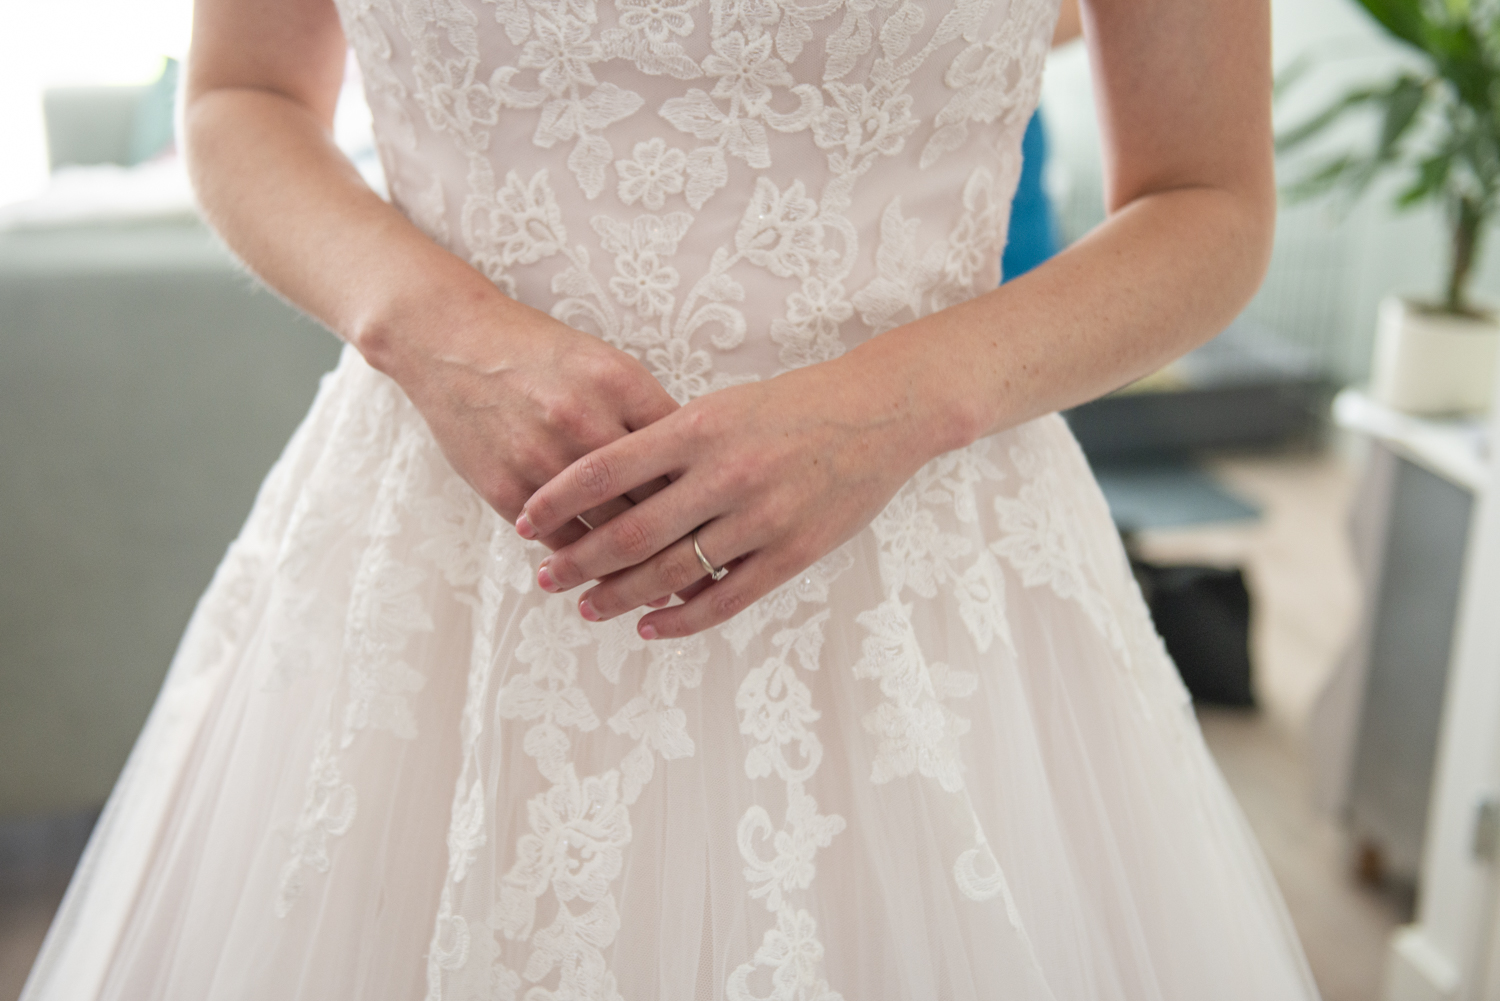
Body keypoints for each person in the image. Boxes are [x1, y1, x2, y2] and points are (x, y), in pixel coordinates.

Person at [22, 0, 1319, 997]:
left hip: (915, 579)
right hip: (441, 565)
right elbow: (241, 95)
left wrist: (897, 404)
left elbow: (1206, 200)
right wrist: (434, 330)